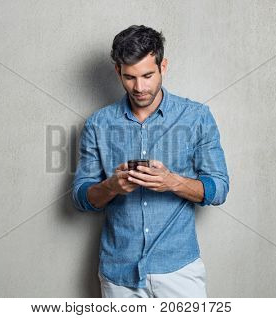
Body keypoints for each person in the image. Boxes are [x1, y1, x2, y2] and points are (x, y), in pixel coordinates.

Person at [72, 25, 229, 298]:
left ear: (163, 67)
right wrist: (111, 187)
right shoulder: (98, 124)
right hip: (119, 272)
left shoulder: (196, 117)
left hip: (179, 269)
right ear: (117, 72)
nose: (140, 87)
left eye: (147, 75)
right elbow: (81, 198)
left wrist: (173, 182)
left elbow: (219, 188)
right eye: (129, 77)